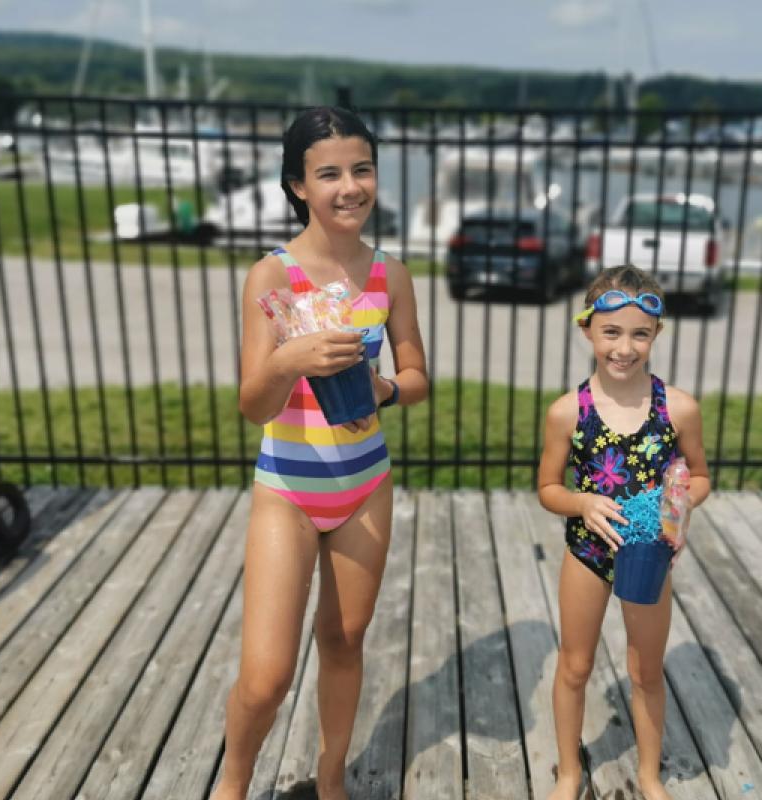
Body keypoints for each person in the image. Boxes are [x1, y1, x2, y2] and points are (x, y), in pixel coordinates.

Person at [211, 106, 428, 800]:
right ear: (298, 185)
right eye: (328, 173)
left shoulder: (389, 275)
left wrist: (382, 388)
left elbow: (419, 377)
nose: (349, 186)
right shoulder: (271, 278)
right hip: (290, 491)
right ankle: (233, 783)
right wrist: (288, 362)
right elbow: (253, 405)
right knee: (268, 673)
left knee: (344, 641)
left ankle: (331, 780)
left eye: (361, 169)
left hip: (365, 484)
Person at [536, 265, 711, 800]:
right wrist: (583, 501)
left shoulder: (677, 408)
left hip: (650, 554)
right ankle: (569, 771)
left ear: (657, 334)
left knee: (646, 670)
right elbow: (548, 488)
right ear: (587, 329)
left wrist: (677, 504)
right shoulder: (568, 412)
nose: (625, 347)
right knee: (575, 664)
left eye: (640, 333)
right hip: (587, 553)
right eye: (611, 332)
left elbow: (701, 476)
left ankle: (650, 775)